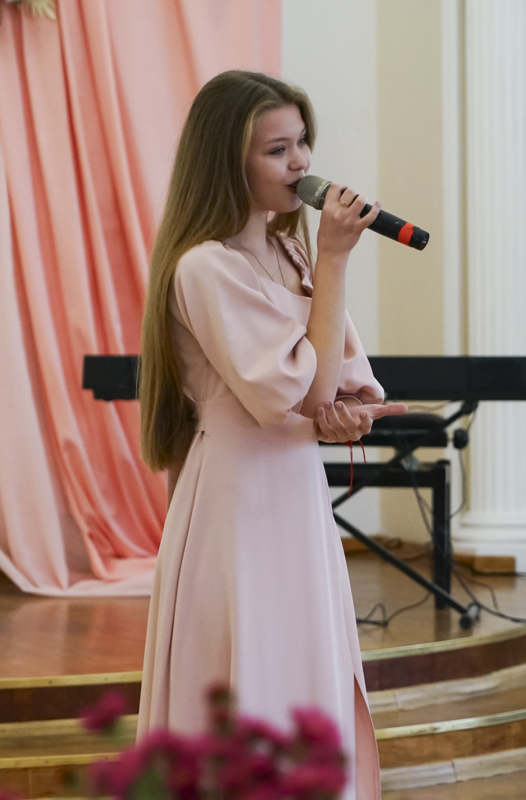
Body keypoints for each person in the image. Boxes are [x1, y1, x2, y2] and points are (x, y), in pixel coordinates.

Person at [136, 70, 407, 800]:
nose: (301, 163)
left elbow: (332, 386)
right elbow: (295, 392)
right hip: (239, 503)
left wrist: (344, 413)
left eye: (302, 143)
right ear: (229, 160)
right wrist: (337, 257)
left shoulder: (290, 256)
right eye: (277, 149)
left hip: (294, 495)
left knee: (304, 664)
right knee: (252, 667)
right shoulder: (206, 267)